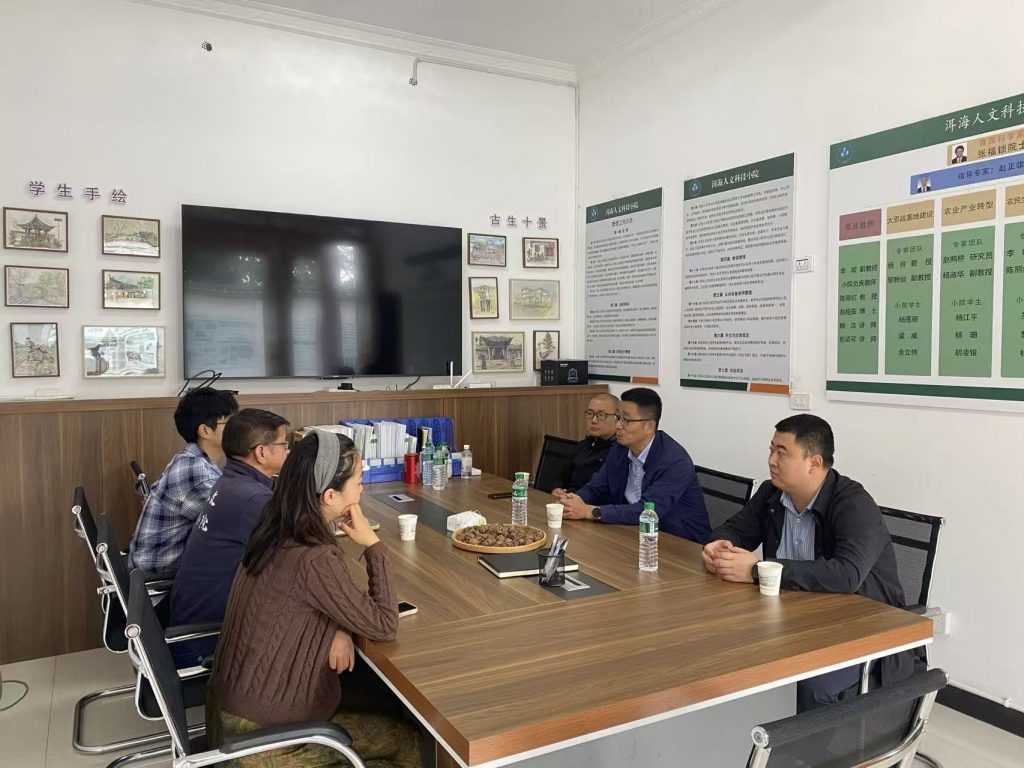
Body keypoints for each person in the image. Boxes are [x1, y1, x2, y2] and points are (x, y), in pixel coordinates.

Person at [208, 430, 421, 768]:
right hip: (263, 740)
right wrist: (373, 546)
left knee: (384, 708)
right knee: (411, 743)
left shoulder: (275, 526)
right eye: (358, 481)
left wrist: (338, 627)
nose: (362, 489)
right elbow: (384, 625)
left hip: (232, 710)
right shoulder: (314, 557)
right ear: (331, 496)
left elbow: (302, 597)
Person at [702, 414, 917, 712]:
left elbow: (847, 575)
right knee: (719, 643)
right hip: (795, 619)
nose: (771, 461)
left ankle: (808, 742)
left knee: (811, 684)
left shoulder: (853, 504)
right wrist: (721, 544)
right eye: (771, 450)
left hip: (862, 631)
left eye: (782, 453)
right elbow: (735, 529)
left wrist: (757, 571)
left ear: (814, 462)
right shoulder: (772, 494)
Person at [168, 408, 291, 667]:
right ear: (261, 452)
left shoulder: (231, 481)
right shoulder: (252, 499)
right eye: (284, 445)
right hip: (206, 641)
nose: (288, 451)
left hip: (190, 621)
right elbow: (298, 557)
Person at [556, 388, 710, 544]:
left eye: (626, 420)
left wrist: (590, 511)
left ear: (649, 426)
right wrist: (572, 501)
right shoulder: (619, 449)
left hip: (680, 543)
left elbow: (647, 511)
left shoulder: (674, 461)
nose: (618, 425)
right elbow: (596, 487)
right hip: (634, 533)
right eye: (618, 417)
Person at [127, 388, 239, 575]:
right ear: (205, 431)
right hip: (159, 575)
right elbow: (232, 523)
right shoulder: (196, 471)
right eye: (230, 422)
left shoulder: (191, 458)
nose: (238, 428)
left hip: (155, 566)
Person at [551, 393, 620, 493]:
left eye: (601, 415)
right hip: (567, 498)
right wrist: (557, 489)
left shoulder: (618, 452)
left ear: (617, 418)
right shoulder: (582, 445)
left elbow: (603, 491)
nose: (594, 420)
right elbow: (562, 477)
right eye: (590, 413)